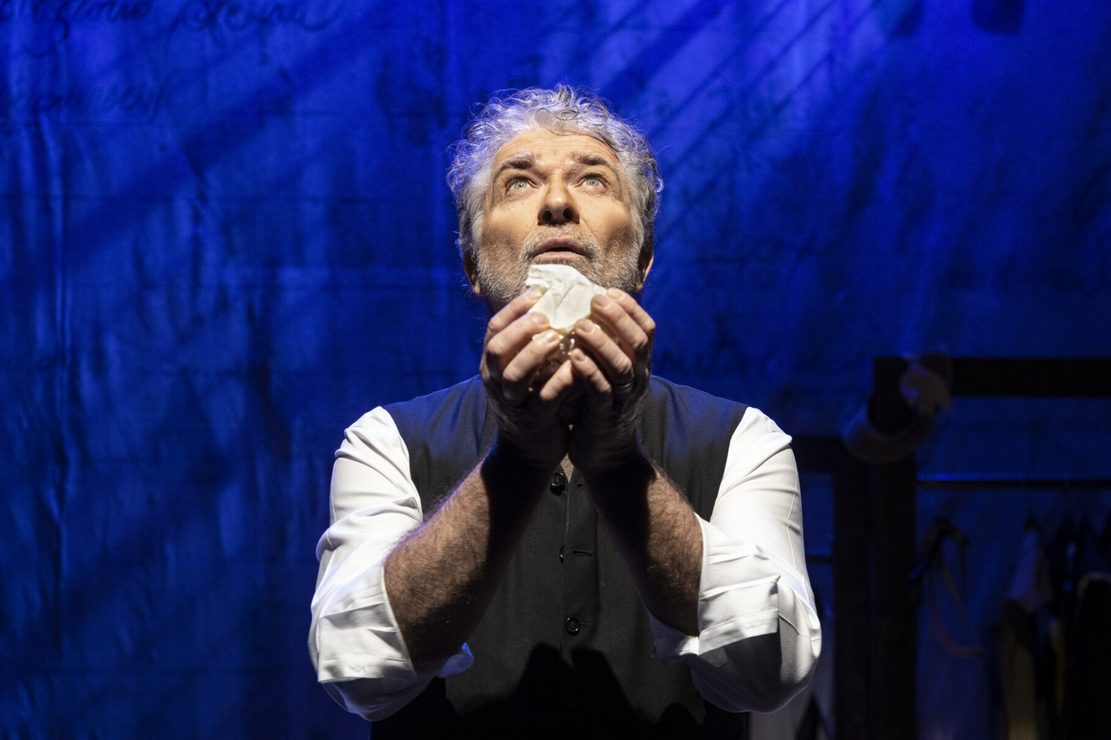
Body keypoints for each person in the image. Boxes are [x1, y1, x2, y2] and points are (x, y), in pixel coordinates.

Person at [309, 86, 821, 738]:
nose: (556, 203)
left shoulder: (743, 440)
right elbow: (354, 668)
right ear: (472, 263)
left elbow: (771, 670)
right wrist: (516, 461)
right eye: (518, 183)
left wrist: (617, 462)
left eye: (592, 179)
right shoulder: (386, 441)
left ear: (642, 259)